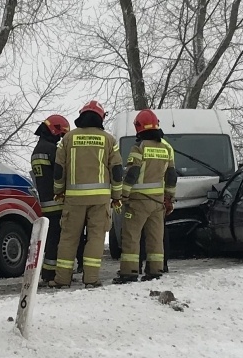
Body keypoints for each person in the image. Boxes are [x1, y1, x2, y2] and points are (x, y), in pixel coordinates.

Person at [50, 100, 123, 288]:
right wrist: (117, 196)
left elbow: (59, 169)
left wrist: (58, 191)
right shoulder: (109, 140)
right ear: (100, 117)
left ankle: (62, 279)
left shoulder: (68, 138)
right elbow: (116, 170)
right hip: (100, 199)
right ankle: (91, 279)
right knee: (96, 237)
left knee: (68, 238)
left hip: (74, 198)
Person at [114, 110, 179, 284]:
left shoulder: (139, 148)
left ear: (138, 127)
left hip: (138, 201)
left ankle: (129, 272)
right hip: (158, 202)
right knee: (156, 237)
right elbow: (172, 176)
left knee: (131, 235)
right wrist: (169, 198)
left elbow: (132, 174)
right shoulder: (166, 148)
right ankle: (155, 270)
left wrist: (123, 194)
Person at [29, 114, 69, 282]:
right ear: (55, 130)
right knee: (56, 239)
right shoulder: (52, 150)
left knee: (49, 239)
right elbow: (61, 174)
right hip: (57, 203)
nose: (60, 138)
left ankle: (47, 272)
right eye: (60, 135)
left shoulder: (37, 150)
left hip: (45, 203)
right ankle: (51, 274)